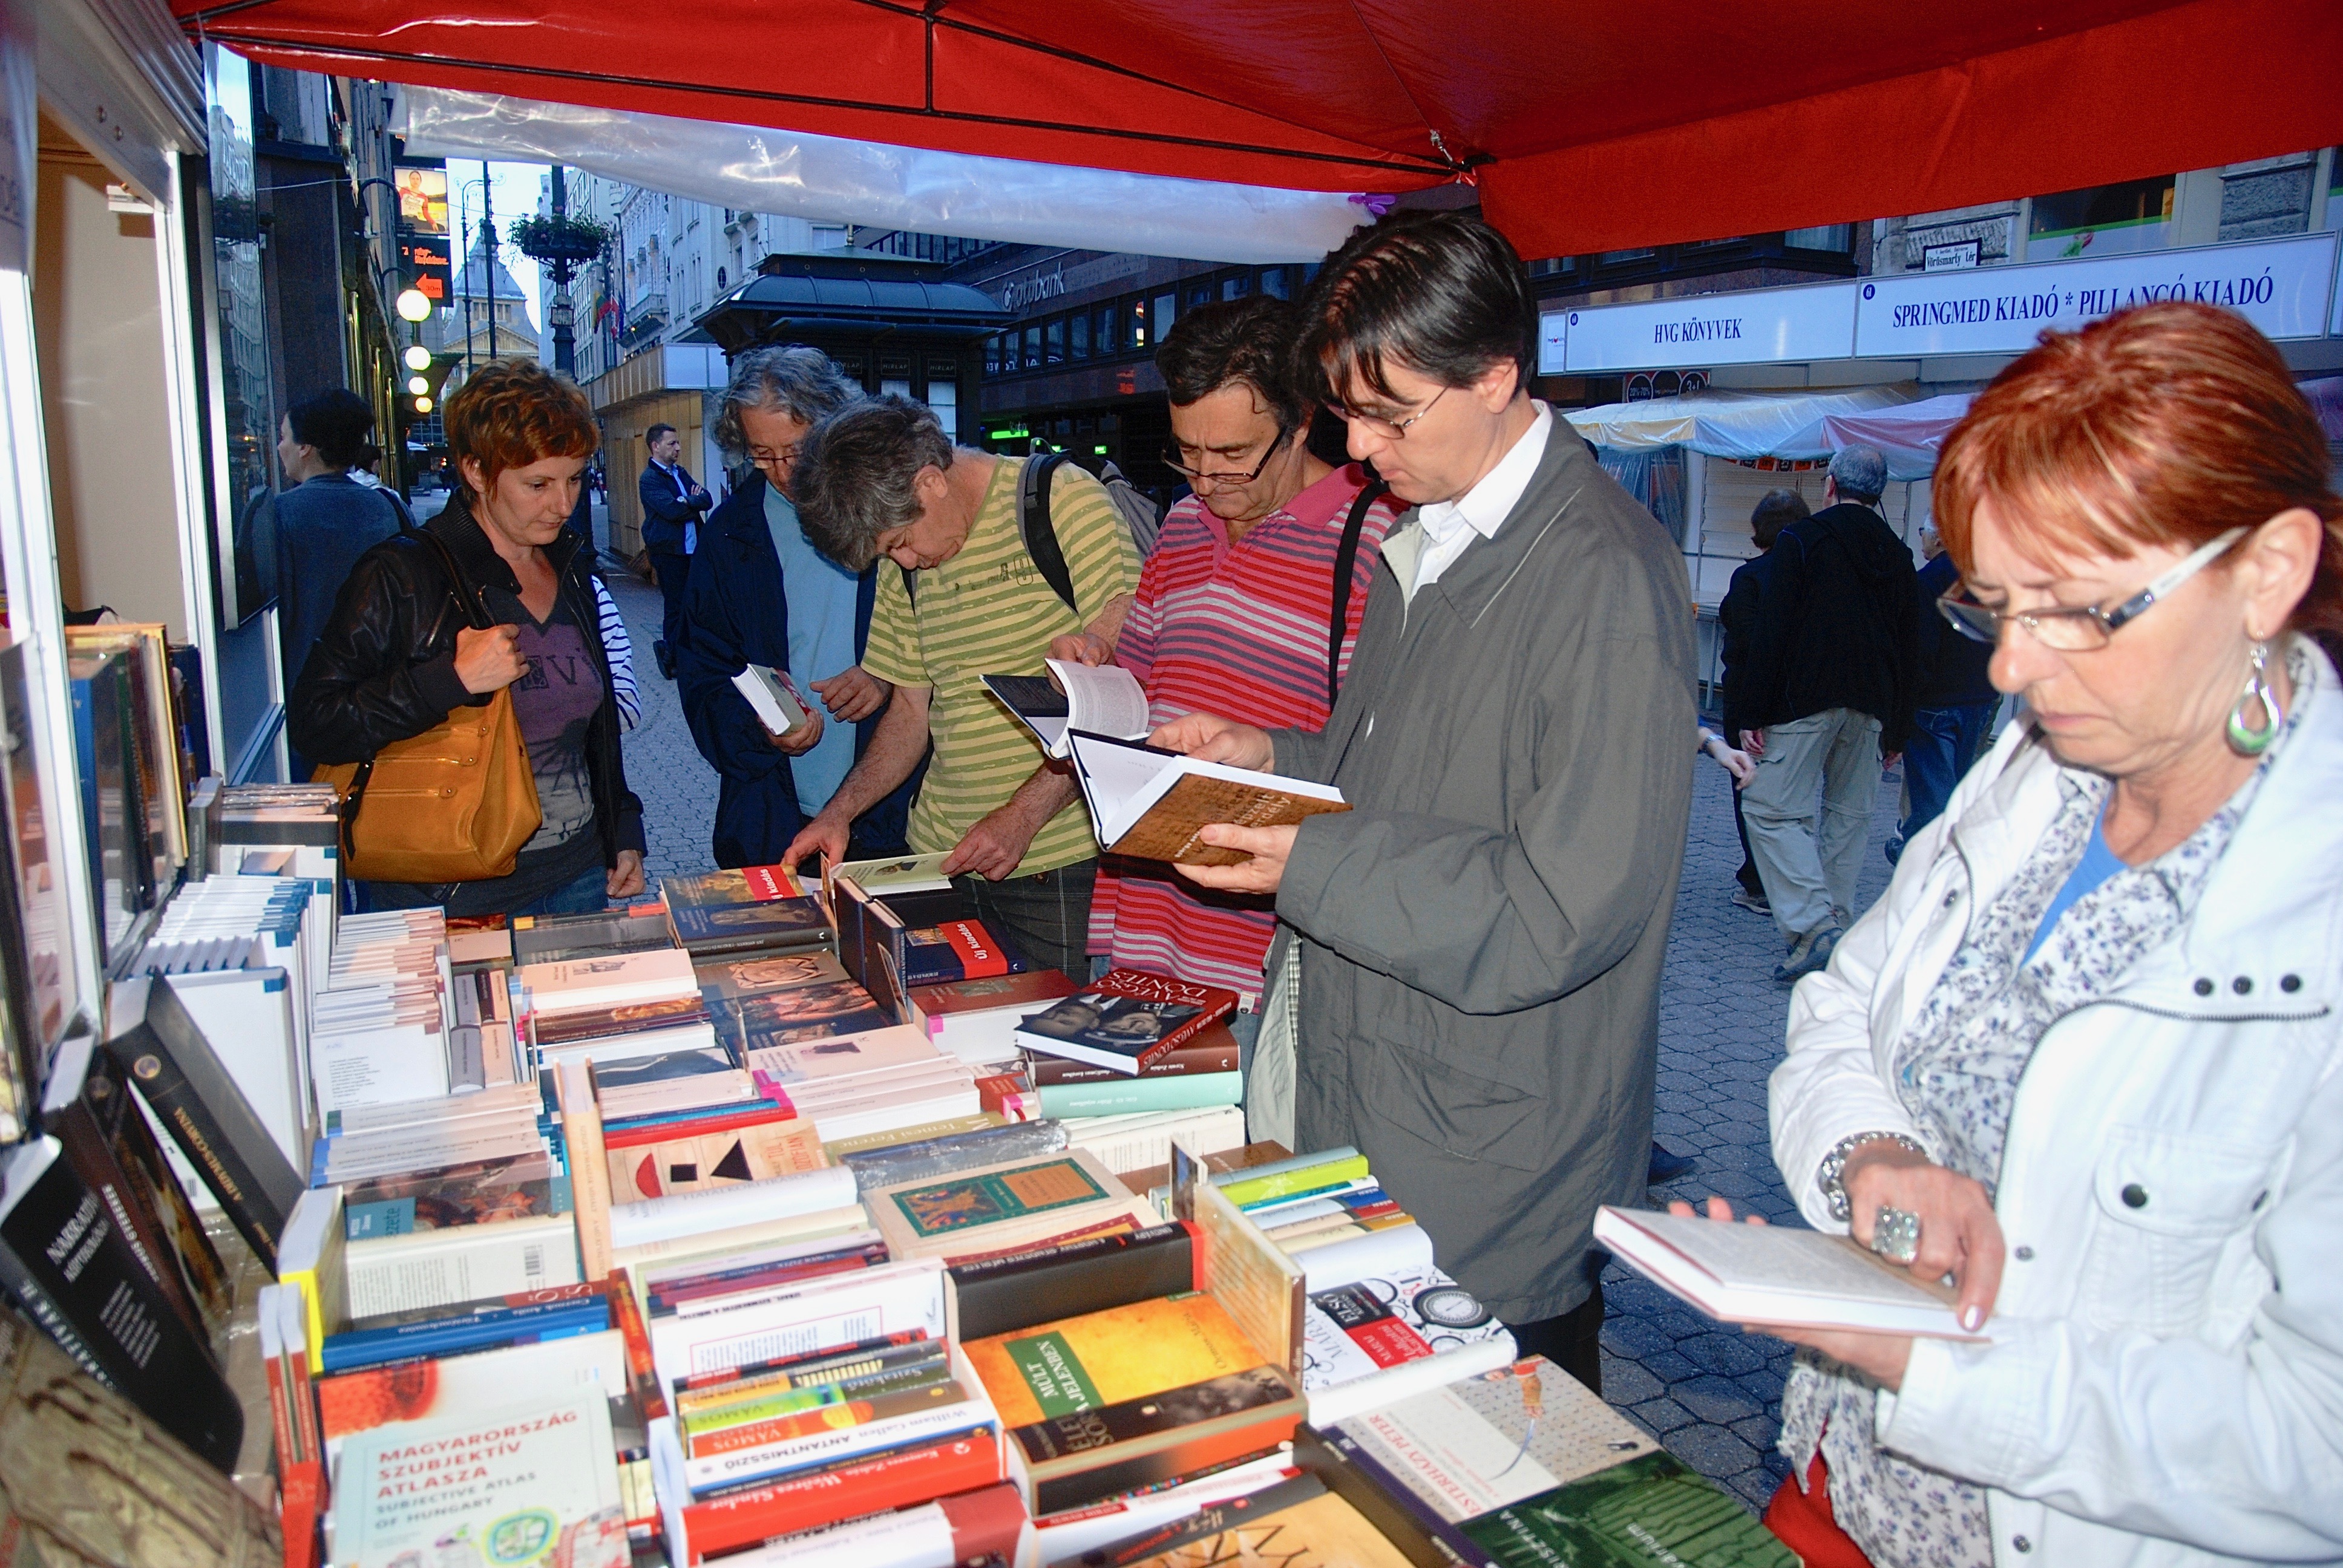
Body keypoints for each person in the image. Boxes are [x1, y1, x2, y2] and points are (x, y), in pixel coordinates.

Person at [1687, 302, 2343, 1568]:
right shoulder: (2039, 771)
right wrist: (1873, 1155)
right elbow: (1844, 1004)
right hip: (1834, 1489)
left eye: (2078, 611)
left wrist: (1936, 1371)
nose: (2010, 670)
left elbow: (2316, 1443)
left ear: (2266, 571)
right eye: (1993, 609)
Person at [1149, 210, 1697, 1393]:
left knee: (1488, 1456)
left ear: (1495, 374)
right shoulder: (1430, 534)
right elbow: (1400, 783)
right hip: (1378, 1092)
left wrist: (1309, 857)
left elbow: (1564, 909)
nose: (1356, 448)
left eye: (1388, 415)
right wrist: (1273, 755)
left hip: (1488, 1152)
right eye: (1344, 412)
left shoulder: (1603, 578)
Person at [1052, 296, 1400, 1024]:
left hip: (1261, 957)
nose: (1205, 482)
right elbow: (1140, 694)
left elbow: (1381, 761)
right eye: (1187, 452)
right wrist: (1094, 676)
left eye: (1234, 456)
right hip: (1141, 926)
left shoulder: (1377, 542)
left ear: (1302, 421)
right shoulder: (1181, 524)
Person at [781, 396, 1141, 977]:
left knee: (1051, 1031)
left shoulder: (1061, 501)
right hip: (939, 859)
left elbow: (1123, 692)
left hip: (1056, 864)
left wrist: (1021, 817)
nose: (905, 561)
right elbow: (910, 713)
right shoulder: (904, 562)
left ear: (930, 481)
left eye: (901, 541)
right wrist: (839, 813)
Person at [290, 359, 646, 918]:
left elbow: (593, 726)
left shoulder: (572, 569)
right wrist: (449, 680)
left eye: (575, 479)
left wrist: (621, 826)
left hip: (576, 874)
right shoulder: (402, 574)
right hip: (447, 891)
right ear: (476, 471)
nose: (564, 504)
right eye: (538, 484)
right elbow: (315, 723)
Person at [680, 345, 916, 867]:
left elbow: (944, 638)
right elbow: (703, 673)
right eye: (762, 455)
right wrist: (761, 727)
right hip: (772, 817)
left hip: (890, 818)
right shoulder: (730, 535)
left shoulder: (889, 508)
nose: (785, 472)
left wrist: (886, 676)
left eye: (796, 450)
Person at [1733, 445, 1919, 983]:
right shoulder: (1899, 553)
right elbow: (1910, 646)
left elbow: (1774, 630)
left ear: (1830, 485)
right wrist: (1899, 729)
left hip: (1805, 699)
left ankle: (1815, 928)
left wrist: (1752, 710)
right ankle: (1836, 927)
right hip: (1873, 705)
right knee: (1848, 820)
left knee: (1770, 809)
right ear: (1879, 494)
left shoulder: (1802, 540)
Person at [274, 390, 407, 778]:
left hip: (306, 697)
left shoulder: (279, 515)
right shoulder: (390, 508)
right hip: (386, 693)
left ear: (305, 448)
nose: (280, 447)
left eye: (284, 437)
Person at [1884, 523, 2001, 861]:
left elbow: (1921, 650)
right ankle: (1921, 850)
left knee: (1934, 799)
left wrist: (1905, 707)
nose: (1921, 537)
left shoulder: (1930, 580)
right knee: (1954, 791)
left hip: (1936, 703)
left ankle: (1918, 856)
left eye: (1923, 530)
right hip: (1978, 698)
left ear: (1938, 536)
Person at [1719, 488, 1810, 916]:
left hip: (1748, 698)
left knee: (1748, 789)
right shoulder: (1814, 576)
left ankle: (1759, 881)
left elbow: (1744, 639)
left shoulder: (1751, 578)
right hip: (1799, 700)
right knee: (1792, 795)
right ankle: (1792, 877)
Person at [640, 422, 712, 678]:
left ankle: (687, 652)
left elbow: (707, 499)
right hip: (669, 552)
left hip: (693, 550)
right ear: (655, 446)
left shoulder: (680, 473)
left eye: (678, 442)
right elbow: (671, 511)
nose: (678, 448)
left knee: (695, 604)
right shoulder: (650, 479)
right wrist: (690, 503)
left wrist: (686, 501)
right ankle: (671, 655)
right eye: (672, 443)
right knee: (676, 605)